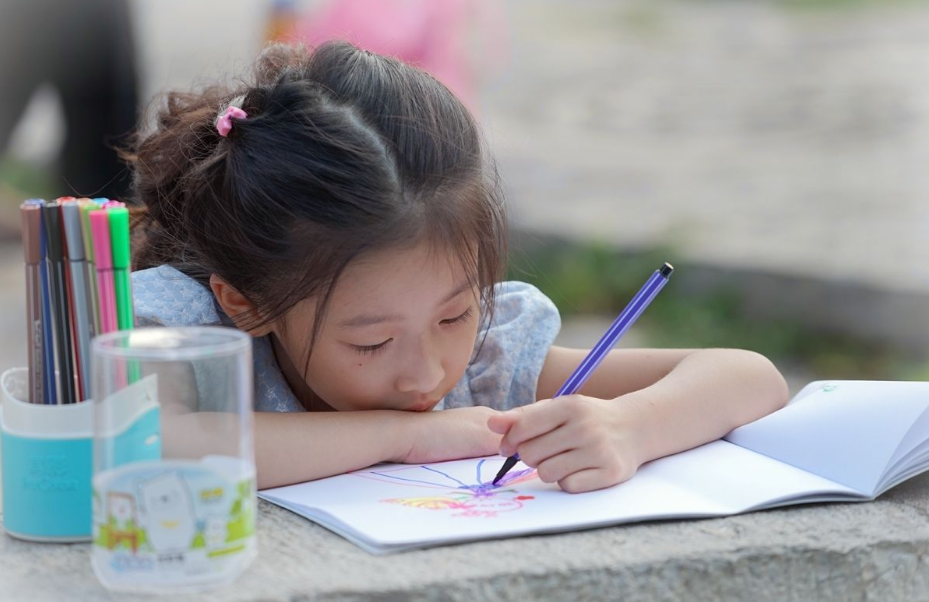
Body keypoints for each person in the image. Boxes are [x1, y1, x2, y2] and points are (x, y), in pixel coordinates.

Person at [127, 41, 788, 493]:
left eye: (454, 312)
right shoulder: (198, 340)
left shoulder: (486, 360)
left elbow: (747, 377)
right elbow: (146, 443)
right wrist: (399, 437)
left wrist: (630, 427)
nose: (427, 371)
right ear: (247, 303)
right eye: (372, 340)